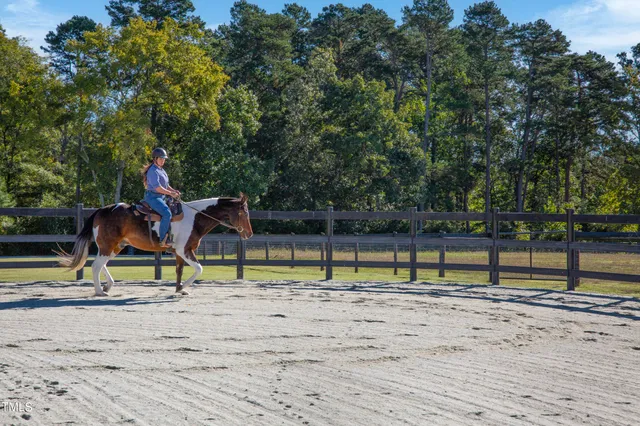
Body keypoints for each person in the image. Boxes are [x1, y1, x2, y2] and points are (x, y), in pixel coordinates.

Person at [141, 148, 180, 248]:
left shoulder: (161, 170)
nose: (163, 161)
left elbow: (166, 185)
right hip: (153, 198)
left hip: (161, 197)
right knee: (167, 213)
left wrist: (174, 191)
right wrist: (171, 194)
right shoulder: (153, 171)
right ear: (155, 159)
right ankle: (163, 240)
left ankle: (171, 236)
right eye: (161, 159)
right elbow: (158, 188)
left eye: (164, 159)